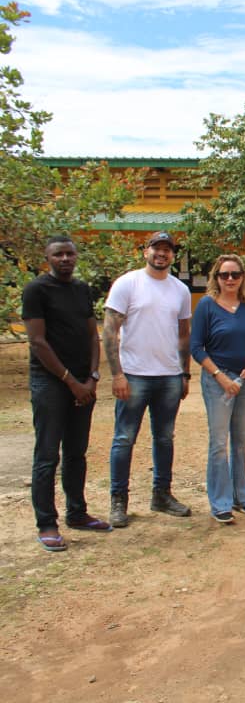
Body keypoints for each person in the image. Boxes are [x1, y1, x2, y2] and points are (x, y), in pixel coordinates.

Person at [23, 236, 110, 551]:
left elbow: (92, 335)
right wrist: (71, 381)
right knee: (47, 455)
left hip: (83, 383)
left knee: (76, 452)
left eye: (69, 253)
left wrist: (93, 377)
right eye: (58, 254)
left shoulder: (82, 289)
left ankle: (78, 513)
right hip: (50, 383)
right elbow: (38, 342)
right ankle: (47, 523)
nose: (65, 259)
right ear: (48, 258)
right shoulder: (36, 290)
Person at [104, 231, 192, 528]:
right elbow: (110, 331)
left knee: (165, 438)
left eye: (167, 250)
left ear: (172, 256)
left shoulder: (179, 290)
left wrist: (185, 372)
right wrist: (117, 373)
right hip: (134, 375)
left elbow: (183, 335)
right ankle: (119, 501)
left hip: (168, 376)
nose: (162, 254)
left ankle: (162, 494)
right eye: (156, 248)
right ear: (145, 251)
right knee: (124, 438)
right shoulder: (127, 284)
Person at [190, 254, 245, 524]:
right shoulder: (207, 306)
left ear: (243, 277)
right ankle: (220, 501)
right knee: (219, 443)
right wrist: (220, 376)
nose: (230, 279)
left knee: (241, 442)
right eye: (225, 275)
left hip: (244, 381)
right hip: (217, 380)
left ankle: (240, 496)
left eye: (235, 274)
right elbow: (196, 347)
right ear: (216, 278)